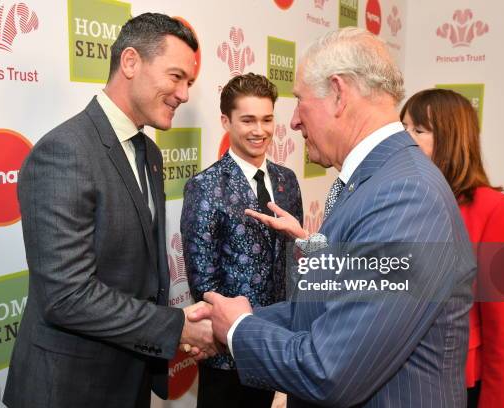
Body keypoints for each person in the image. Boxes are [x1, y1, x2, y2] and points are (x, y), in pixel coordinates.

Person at [190, 27, 476, 407]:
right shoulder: (376, 181)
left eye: (299, 101)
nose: (292, 122)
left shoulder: (406, 196)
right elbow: (325, 309)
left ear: (339, 94)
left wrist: (240, 329)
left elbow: (331, 371)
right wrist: (232, 322)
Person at [3, 13, 216, 408]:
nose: (184, 94)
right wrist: (177, 326)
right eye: (176, 77)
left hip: (130, 376)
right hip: (69, 388)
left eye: (189, 83)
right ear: (131, 62)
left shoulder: (149, 151)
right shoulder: (65, 151)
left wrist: (177, 329)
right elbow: (66, 296)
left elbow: (141, 274)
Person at [180, 73, 303, 408]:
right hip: (227, 351)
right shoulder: (205, 186)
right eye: (247, 120)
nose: (259, 130)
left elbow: (295, 259)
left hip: (278, 342)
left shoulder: (287, 181)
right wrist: (233, 333)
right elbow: (203, 280)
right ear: (226, 121)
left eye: (266, 119)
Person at [401, 89, 504, 408]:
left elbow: (502, 325)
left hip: (458, 381)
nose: (404, 138)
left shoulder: (498, 208)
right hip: (399, 373)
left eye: (418, 130)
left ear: (450, 138)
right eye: (402, 128)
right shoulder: (403, 200)